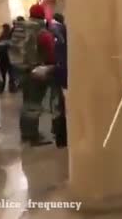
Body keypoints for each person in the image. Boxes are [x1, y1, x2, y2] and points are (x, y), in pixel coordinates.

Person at [12, 4, 55, 146]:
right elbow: (50, 52)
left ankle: (25, 133)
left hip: (21, 70)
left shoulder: (20, 28)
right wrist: (51, 66)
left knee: (26, 103)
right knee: (34, 104)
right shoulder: (41, 32)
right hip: (37, 71)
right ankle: (33, 136)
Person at [50, 13, 68, 148]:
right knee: (64, 107)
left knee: (59, 106)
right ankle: (62, 137)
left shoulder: (54, 32)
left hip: (59, 72)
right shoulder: (63, 32)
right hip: (65, 74)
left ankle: (60, 137)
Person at [0, 24, 17, 93]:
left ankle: (1, 88)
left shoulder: (0, 38)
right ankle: (12, 88)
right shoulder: (12, 37)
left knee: (3, 74)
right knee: (12, 74)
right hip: (11, 58)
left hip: (2, 59)